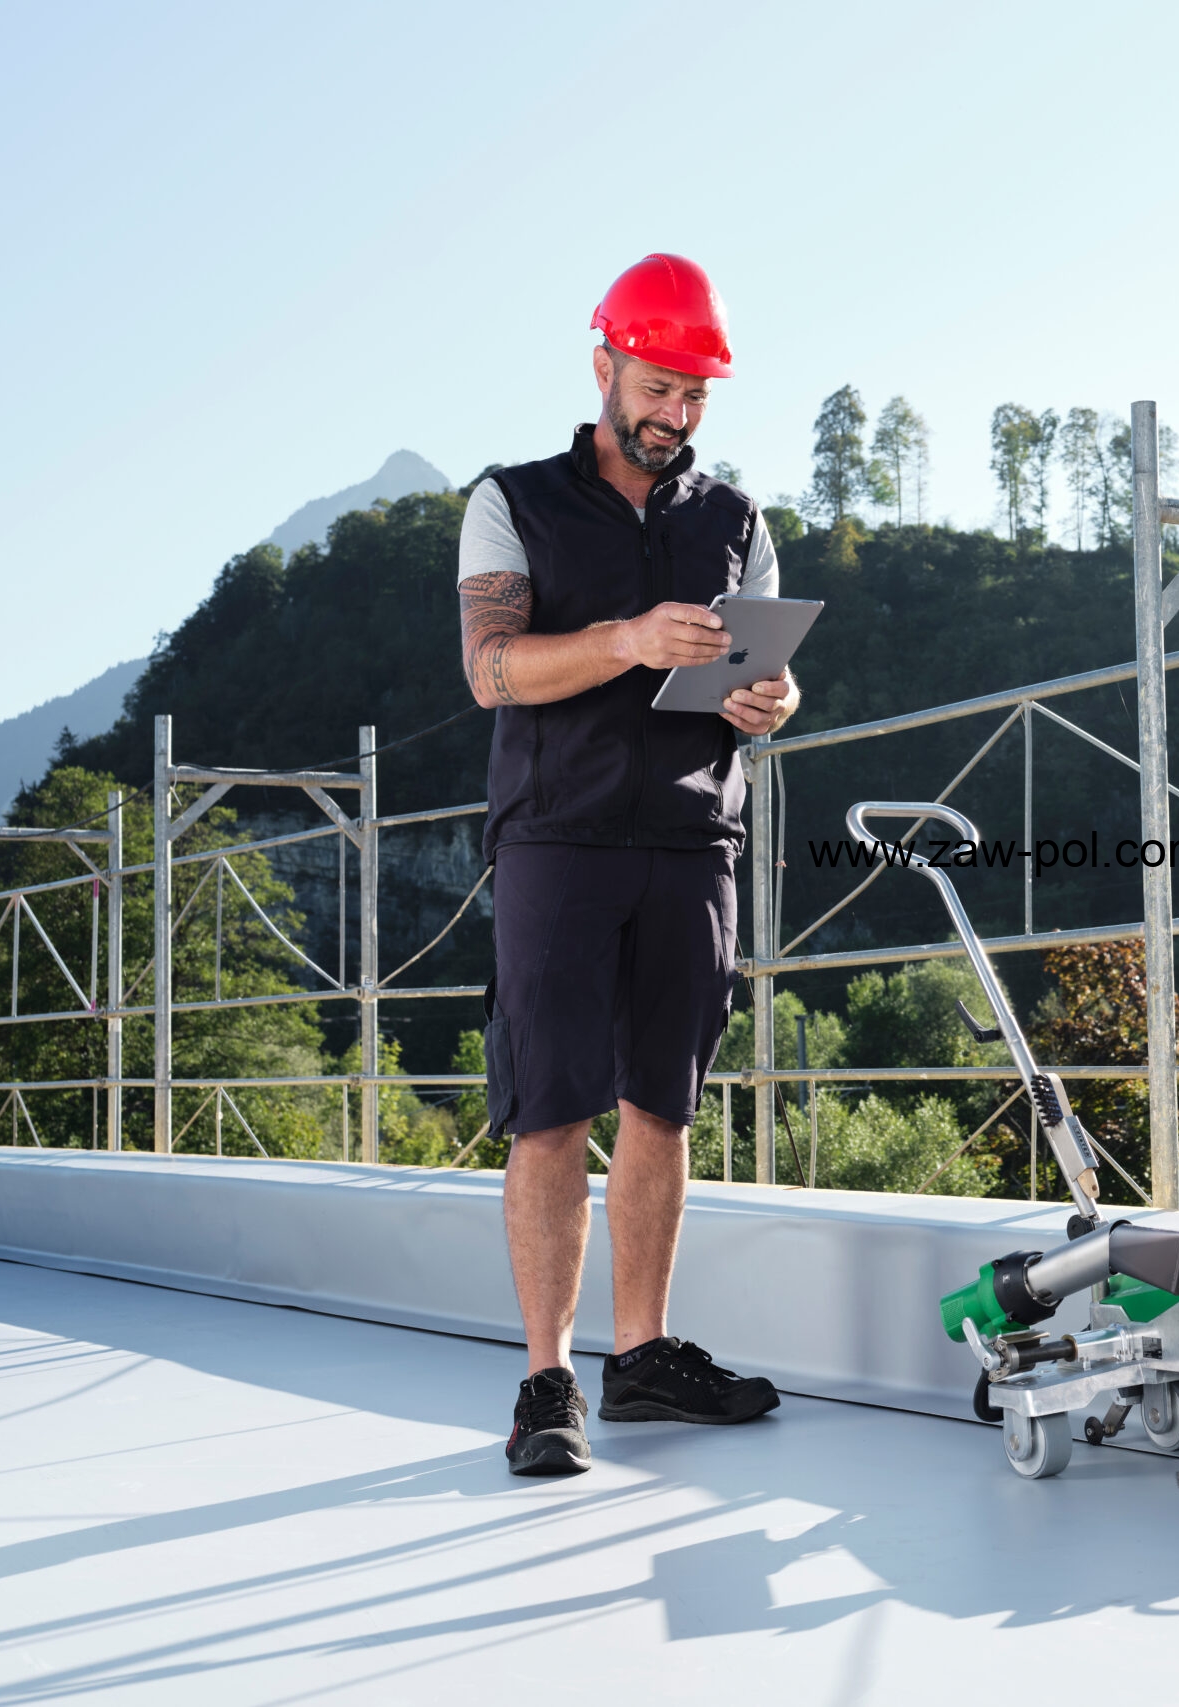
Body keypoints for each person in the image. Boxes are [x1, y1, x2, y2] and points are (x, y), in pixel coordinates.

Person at [456, 253, 797, 1476]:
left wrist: (771, 700)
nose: (676, 414)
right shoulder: (513, 502)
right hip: (557, 839)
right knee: (551, 1107)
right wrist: (627, 641)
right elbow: (491, 670)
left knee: (664, 1103)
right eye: (659, 387)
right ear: (603, 366)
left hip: (695, 840)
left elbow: (770, 675)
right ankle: (546, 1383)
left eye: (696, 395)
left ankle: (642, 1358)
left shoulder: (735, 520)